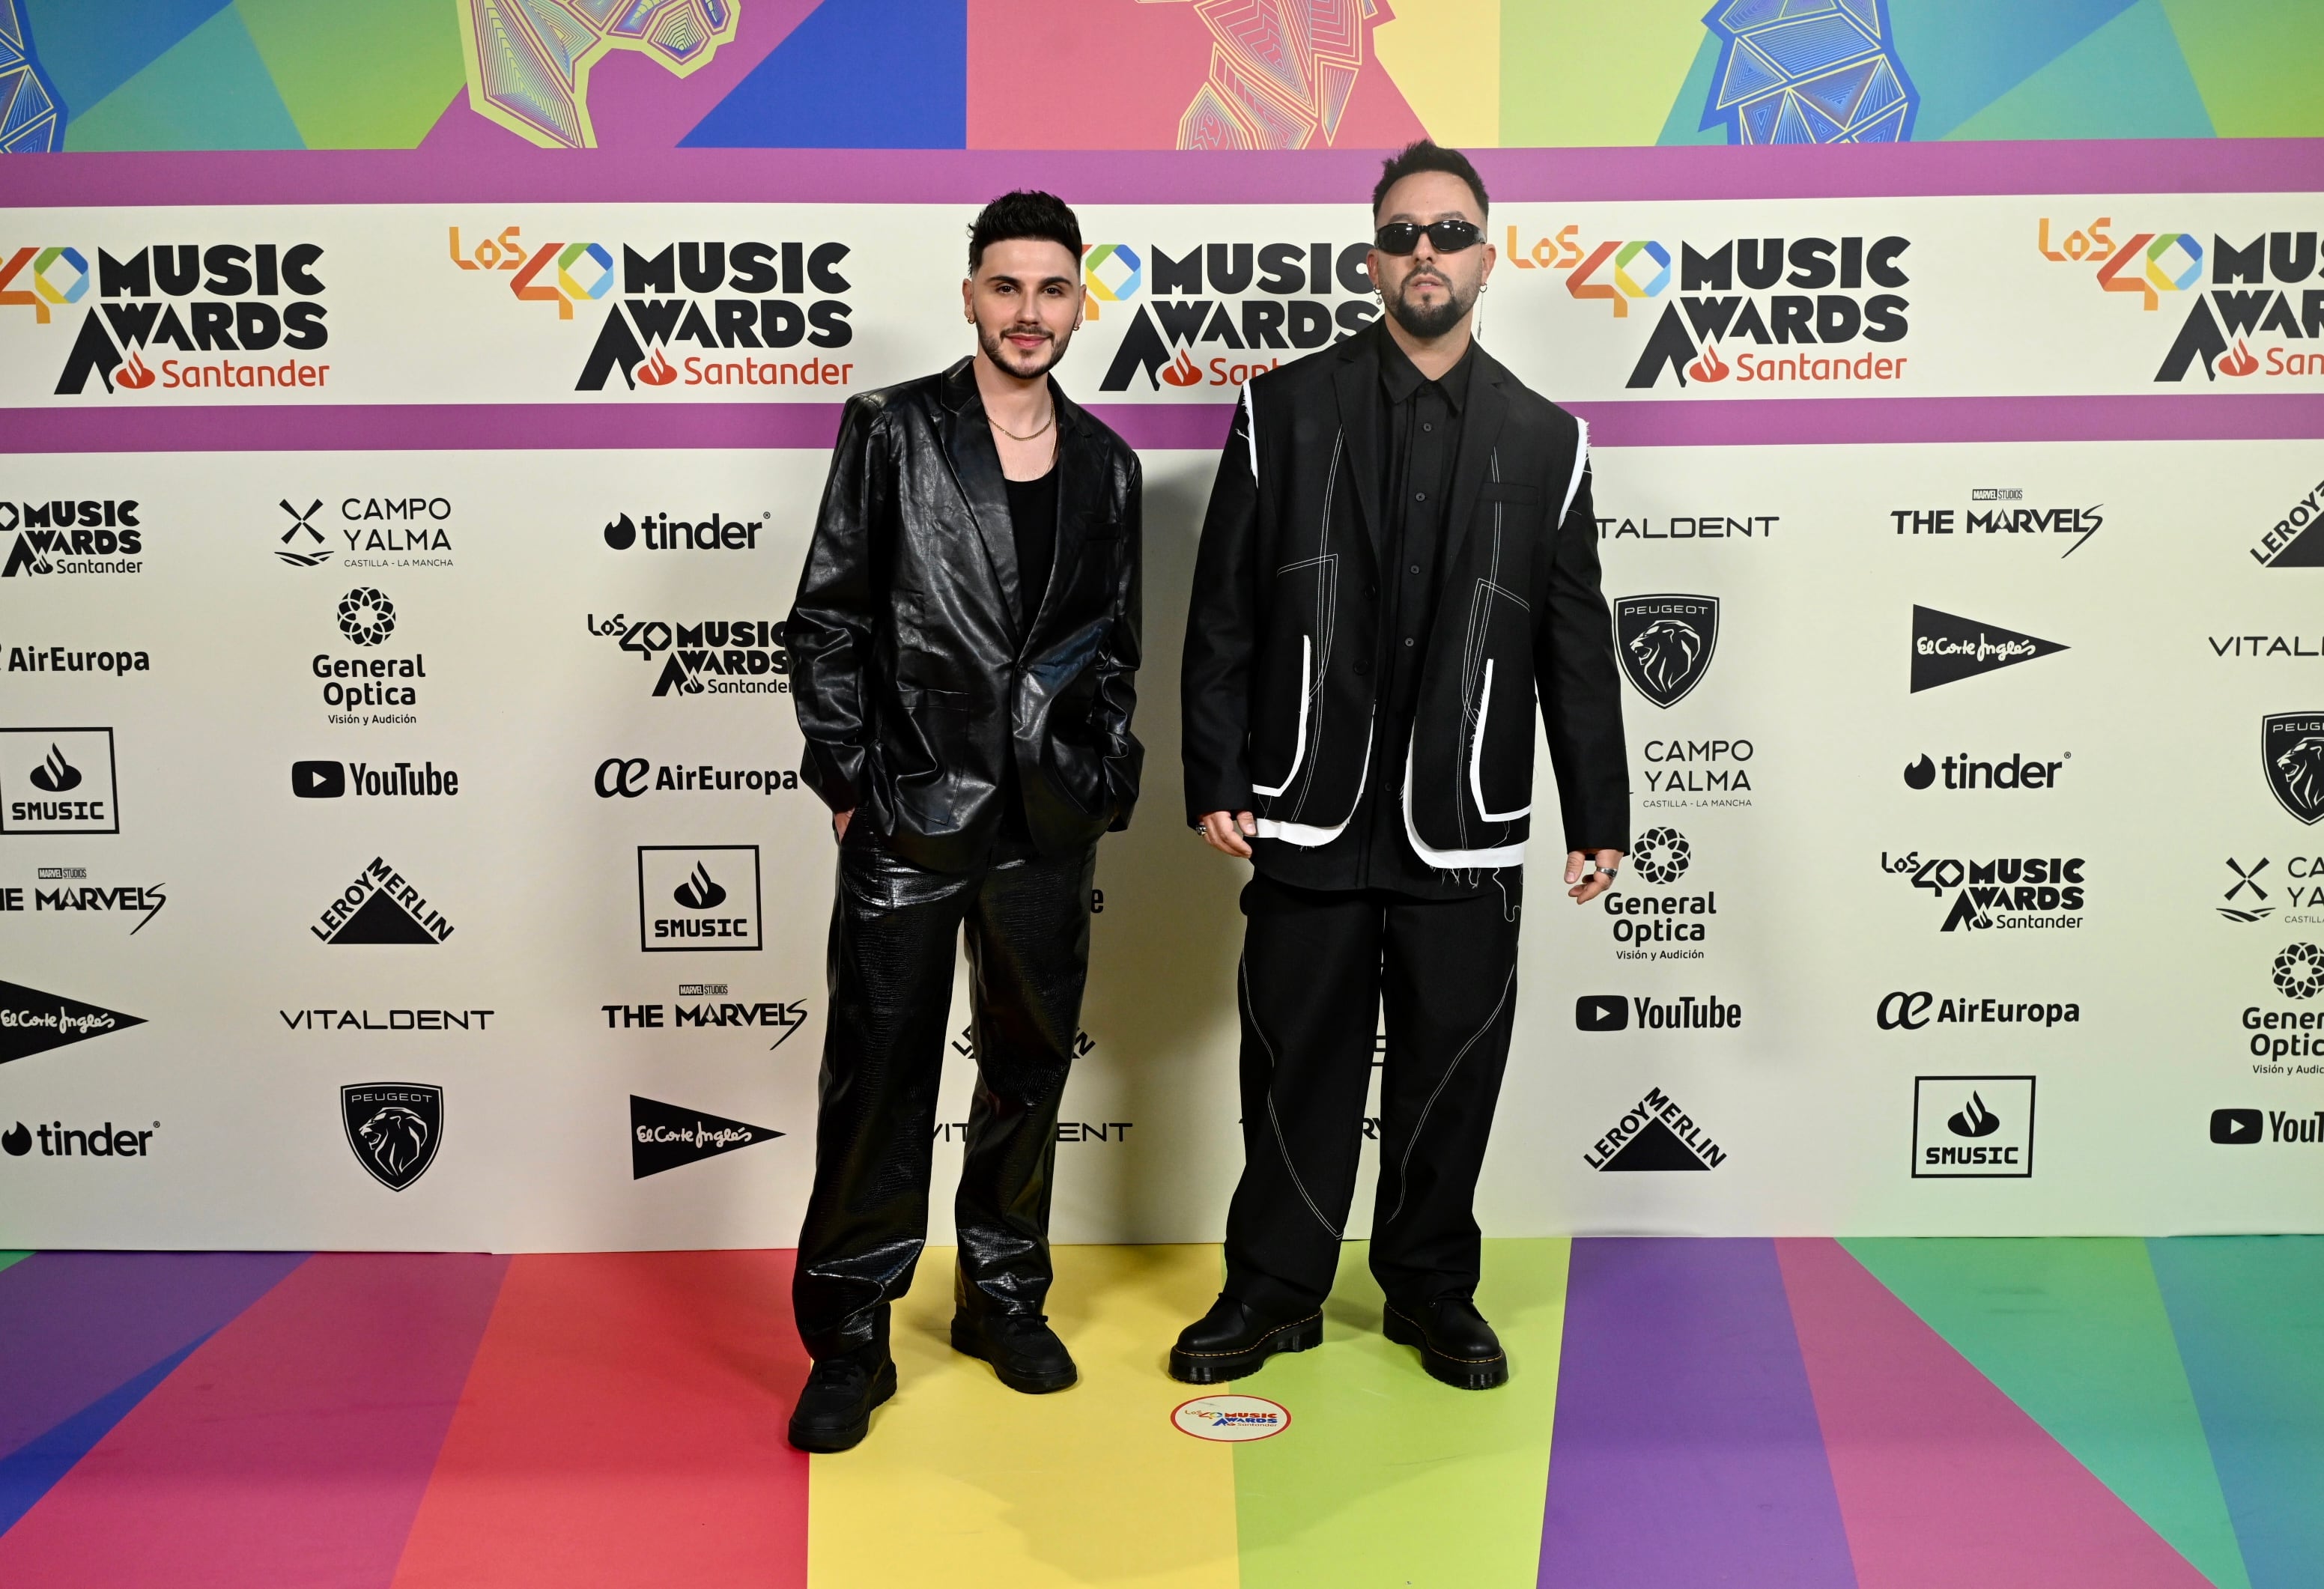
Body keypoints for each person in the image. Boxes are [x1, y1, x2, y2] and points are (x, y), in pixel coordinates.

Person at [1174, 142, 1627, 1391]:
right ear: (1372, 257)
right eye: (1402, 232)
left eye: (1449, 231)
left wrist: (1600, 810)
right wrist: (1217, 769)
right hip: (1307, 811)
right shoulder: (1282, 409)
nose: (1425, 251)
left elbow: (1578, 646)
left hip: (1465, 822)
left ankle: (1432, 1289)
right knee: (1295, 1067)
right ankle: (1272, 1290)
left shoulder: (1550, 442)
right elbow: (1222, 615)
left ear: (1490, 254)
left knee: (1450, 1076)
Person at [783, 190, 1143, 1452]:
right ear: (970, 294)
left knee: (1029, 1070)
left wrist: (1103, 777)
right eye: (1007, 286)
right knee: (878, 1077)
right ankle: (848, 1336)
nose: (1029, 311)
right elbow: (828, 616)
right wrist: (849, 779)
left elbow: (1113, 650)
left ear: (1081, 298)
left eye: (1053, 288)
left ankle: (1002, 1295)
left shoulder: (1108, 461)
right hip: (912, 811)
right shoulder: (891, 429)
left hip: (1049, 824)